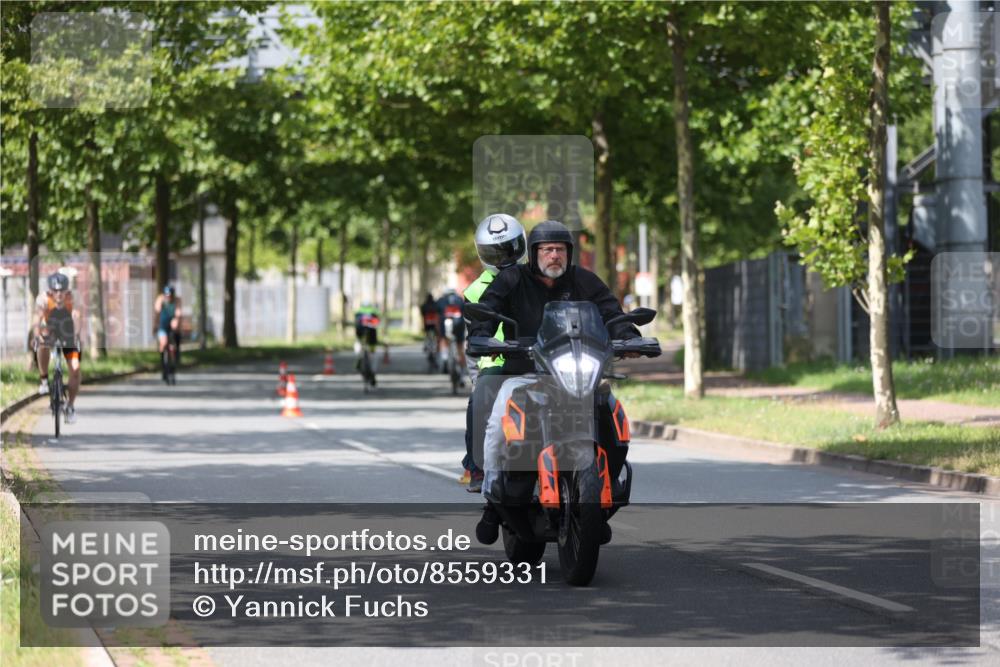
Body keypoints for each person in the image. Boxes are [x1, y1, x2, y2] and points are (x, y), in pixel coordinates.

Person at [467, 220, 641, 542]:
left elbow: (610, 310)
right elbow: (487, 309)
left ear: (569, 253)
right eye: (547, 250)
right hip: (525, 372)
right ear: (534, 254)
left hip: (579, 371)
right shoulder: (512, 279)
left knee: (612, 412)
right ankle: (493, 497)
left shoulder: (583, 280)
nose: (554, 256)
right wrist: (481, 335)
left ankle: (603, 489)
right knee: (496, 422)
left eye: (560, 250)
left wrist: (627, 337)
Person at [460, 213, 526, 491]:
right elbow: (474, 334)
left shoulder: (537, 278)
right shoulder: (475, 291)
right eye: (494, 253)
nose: (502, 257)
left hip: (539, 356)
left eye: (508, 248)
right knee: (479, 401)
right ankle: (475, 467)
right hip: (495, 360)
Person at [33, 272, 82, 423]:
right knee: (43, 343)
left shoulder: (73, 298)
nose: (59, 294)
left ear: (67, 290)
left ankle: (70, 406)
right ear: (50, 291)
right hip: (51, 330)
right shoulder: (43, 299)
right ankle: (44, 380)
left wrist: (76, 336)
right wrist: (36, 335)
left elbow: (77, 317)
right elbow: (37, 318)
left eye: (62, 291)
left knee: (75, 368)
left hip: (68, 333)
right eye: (55, 291)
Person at [435, 288, 466, 376]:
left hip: (445, 324)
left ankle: (444, 359)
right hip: (459, 325)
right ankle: (462, 375)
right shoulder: (460, 299)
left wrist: (438, 330)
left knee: (444, 341)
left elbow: (437, 315)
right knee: (460, 347)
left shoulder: (441, 300)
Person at [154, 285, 182, 381]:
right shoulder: (160, 299)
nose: (168, 297)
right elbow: (157, 312)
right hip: (162, 325)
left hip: (172, 325)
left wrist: (176, 320)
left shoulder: (177, 300)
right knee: (163, 344)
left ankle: (173, 364)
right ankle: (163, 367)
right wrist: (155, 325)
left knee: (173, 347)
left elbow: (178, 313)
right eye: (167, 295)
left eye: (170, 295)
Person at [354, 302, 381, 381]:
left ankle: (359, 359)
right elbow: (378, 322)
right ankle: (373, 372)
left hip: (360, 333)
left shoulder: (358, 312)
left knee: (358, 346)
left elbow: (355, 324)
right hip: (371, 334)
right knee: (374, 354)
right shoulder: (374, 311)